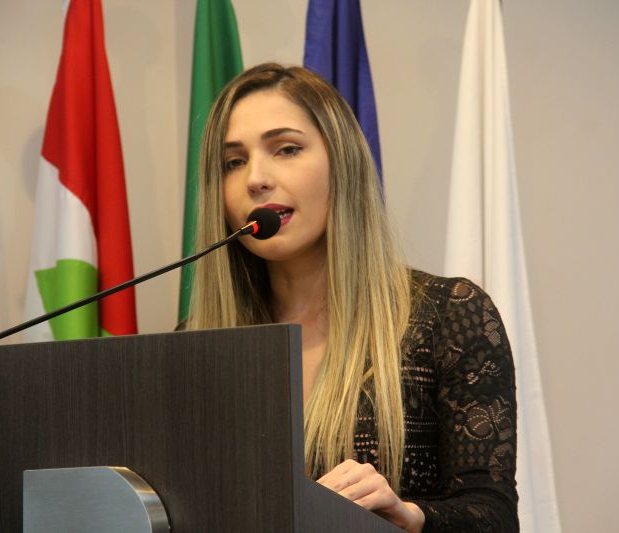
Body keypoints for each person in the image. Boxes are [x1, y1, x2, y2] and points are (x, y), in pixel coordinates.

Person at [180, 62, 518, 532]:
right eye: (233, 162)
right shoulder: (195, 343)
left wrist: (409, 516)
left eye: (286, 149)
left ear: (342, 164)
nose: (255, 178)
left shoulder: (447, 316)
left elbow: (494, 516)